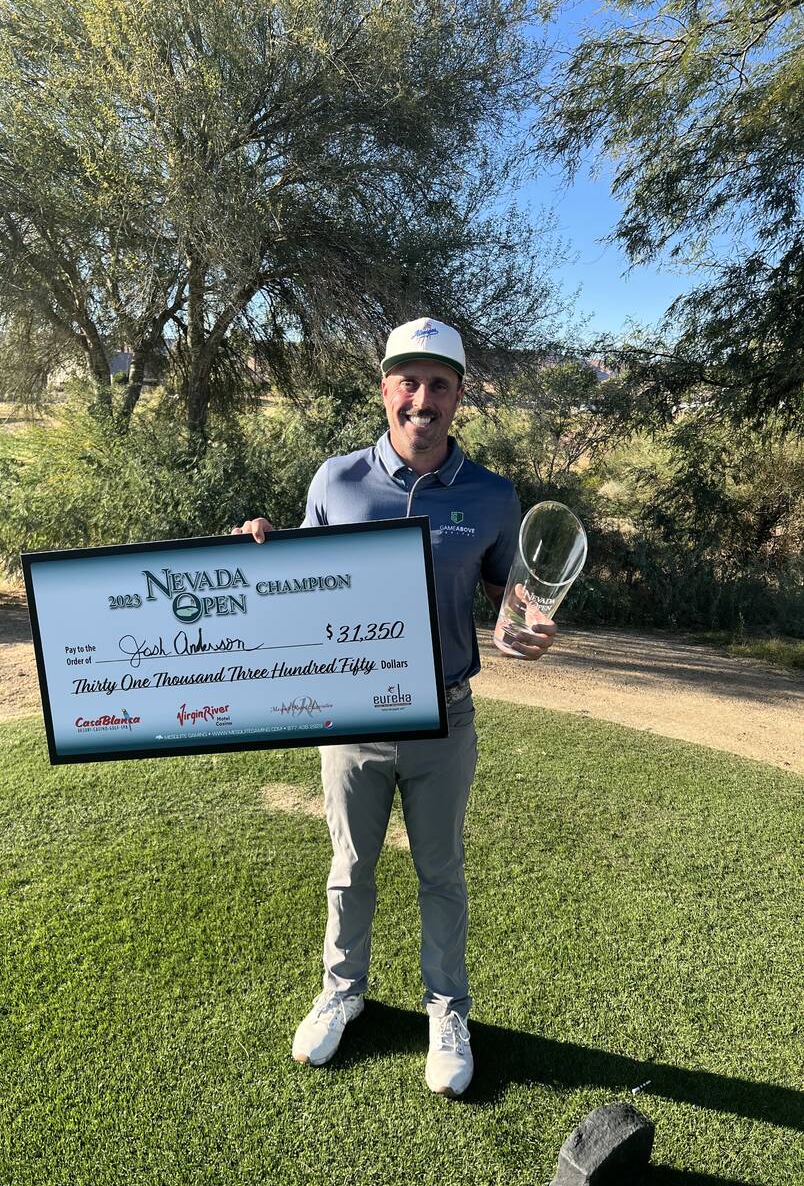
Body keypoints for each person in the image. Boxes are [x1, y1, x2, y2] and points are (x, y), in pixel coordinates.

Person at [233, 317, 556, 1097]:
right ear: (384, 390)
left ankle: (447, 1011)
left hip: (445, 717)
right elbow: (298, 586)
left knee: (442, 873)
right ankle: (341, 994)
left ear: (458, 397)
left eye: (438, 384)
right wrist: (255, 553)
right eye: (407, 382)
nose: (422, 399)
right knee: (350, 868)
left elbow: (512, 594)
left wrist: (530, 626)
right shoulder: (335, 481)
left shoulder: (489, 495)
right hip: (350, 720)